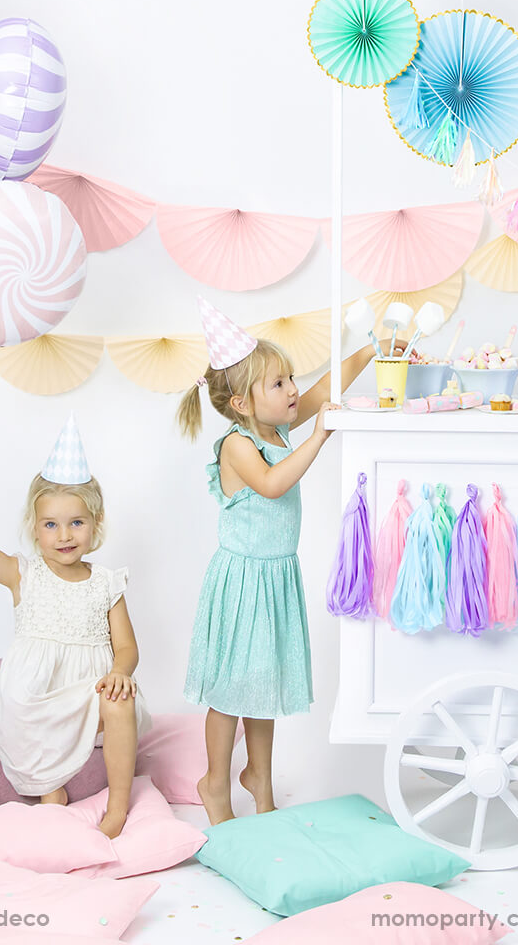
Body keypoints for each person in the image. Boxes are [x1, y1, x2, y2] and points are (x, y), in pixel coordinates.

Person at [178, 296, 397, 825]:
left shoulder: (276, 429)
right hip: (243, 581)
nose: (294, 390)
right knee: (231, 691)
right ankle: (214, 782)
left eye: (289, 378)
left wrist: (373, 350)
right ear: (242, 403)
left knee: (262, 686)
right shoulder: (237, 445)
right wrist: (320, 435)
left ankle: (260, 779)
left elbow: (325, 390)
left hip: (275, 577)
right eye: (278, 383)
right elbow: (273, 484)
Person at [0, 414, 151, 838]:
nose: (64, 535)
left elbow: (127, 647)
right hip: (36, 694)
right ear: (35, 528)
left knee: (120, 702)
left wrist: (120, 673)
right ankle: (49, 787)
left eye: (76, 523)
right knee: (15, 699)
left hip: (87, 693)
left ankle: (117, 808)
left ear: (96, 523)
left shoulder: (106, 583)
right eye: (51, 525)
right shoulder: (24, 574)